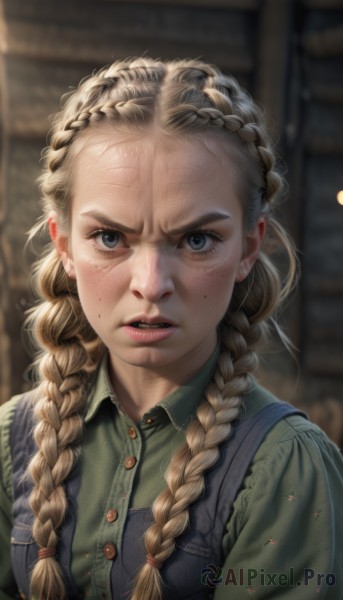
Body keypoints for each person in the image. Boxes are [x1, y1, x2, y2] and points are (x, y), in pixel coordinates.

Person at [0, 57, 342, 600]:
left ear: (249, 247)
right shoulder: (12, 444)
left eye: (197, 239)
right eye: (110, 237)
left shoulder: (284, 469)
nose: (152, 283)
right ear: (63, 244)